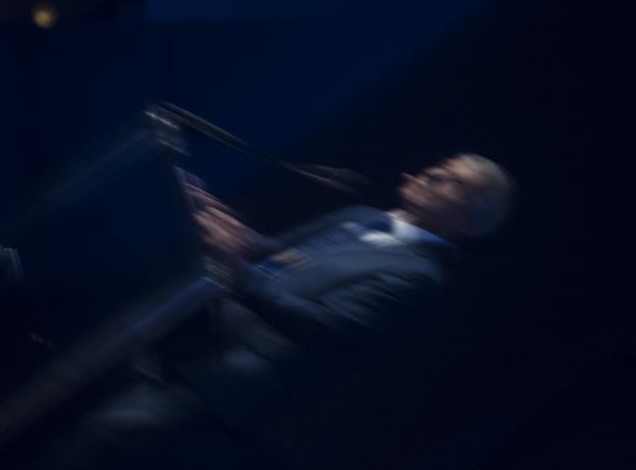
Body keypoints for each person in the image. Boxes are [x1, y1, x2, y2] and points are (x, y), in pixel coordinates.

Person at [46, 153, 515, 468]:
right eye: (442, 167)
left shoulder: (421, 277)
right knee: (63, 425)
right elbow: (274, 254)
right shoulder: (362, 216)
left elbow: (327, 326)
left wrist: (241, 270)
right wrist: (231, 231)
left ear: (470, 223)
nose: (435, 174)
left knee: (99, 442)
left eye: (455, 183)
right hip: (186, 332)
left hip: (218, 377)